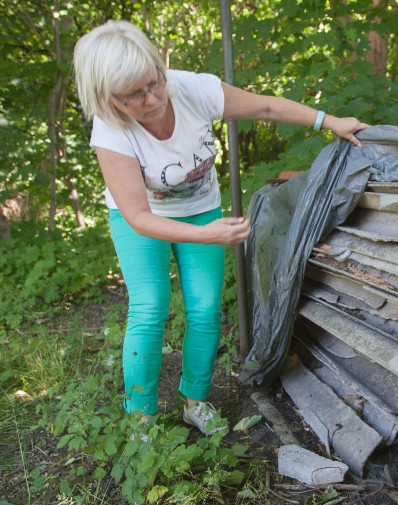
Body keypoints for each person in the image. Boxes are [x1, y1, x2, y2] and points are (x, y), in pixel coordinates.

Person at [73, 20, 368, 437]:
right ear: (109, 99)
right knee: (150, 307)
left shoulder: (191, 89)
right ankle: (141, 418)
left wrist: (328, 120)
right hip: (139, 218)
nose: (153, 98)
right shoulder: (110, 130)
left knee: (205, 308)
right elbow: (140, 218)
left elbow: (265, 107)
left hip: (199, 208)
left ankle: (196, 400)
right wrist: (209, 235)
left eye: (154, 82)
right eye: (135, 96)